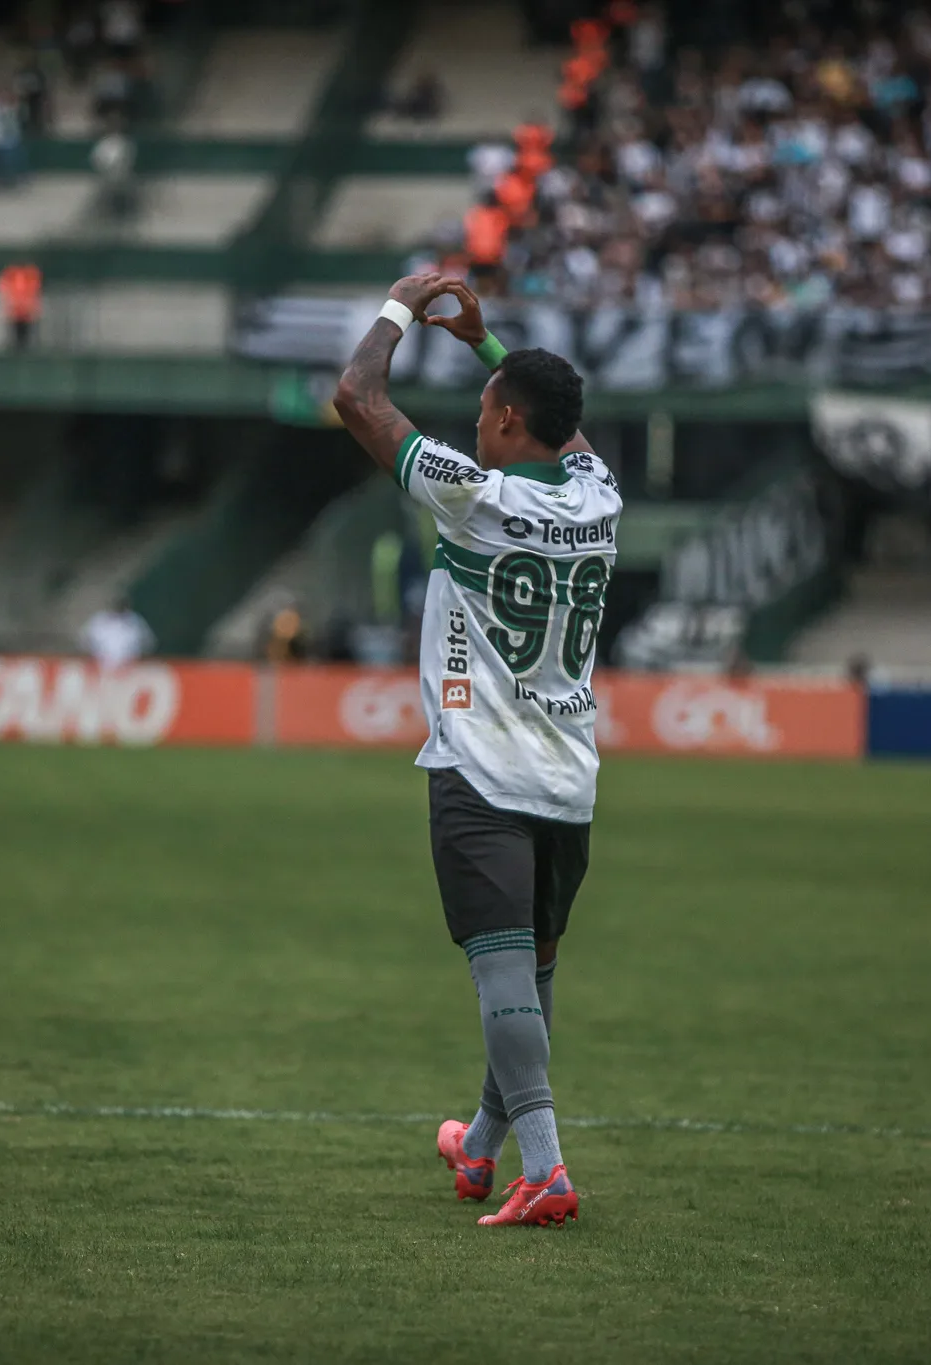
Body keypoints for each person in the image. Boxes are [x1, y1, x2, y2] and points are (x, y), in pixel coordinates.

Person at [332, 272, 616, 1229]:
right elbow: (568, 435)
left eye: (490, 409)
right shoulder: (600, 498)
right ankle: (482, 1151)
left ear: (499, 421)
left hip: (481, 773)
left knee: (502, 979)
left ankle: (548, 1170)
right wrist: (490, 348)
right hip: (568, 779)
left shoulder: (473, 497)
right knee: (530, 982)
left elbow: (356, 399)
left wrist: (401, 308)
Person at [81, 593, 154, 670]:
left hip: (130, 668)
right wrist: (94, 656)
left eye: (121, 604)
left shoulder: (135, 620)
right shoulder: (99, 620)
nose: (118, 607)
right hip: (102, 668)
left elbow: (148, 643)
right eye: (116, 604)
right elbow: (84, 640)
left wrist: (137, 658)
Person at [0, 262, 40, 350]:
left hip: (24, 311)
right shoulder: (12, 275)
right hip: (16, 311)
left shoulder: (30, 275)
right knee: (16, 333)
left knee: (24, 334)